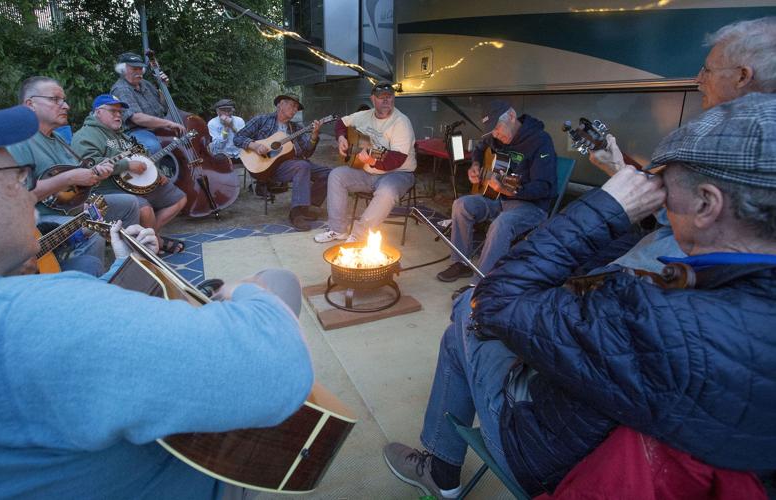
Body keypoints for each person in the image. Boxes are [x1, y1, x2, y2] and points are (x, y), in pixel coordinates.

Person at [0, 83, 314, 499]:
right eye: (19, 178)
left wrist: (129, 265)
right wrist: (245, 291)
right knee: (278, 281)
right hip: (210, 475)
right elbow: (276, 369)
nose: (26, 191)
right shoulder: (34, 318)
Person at [383, 92, 776, 499]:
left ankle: (441, 469)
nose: (655, 194)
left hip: (548, 457)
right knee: (471, 303)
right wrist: (486, 171)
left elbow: (496, 300)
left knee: (470, 309)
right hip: (605, 420)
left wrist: (606, 206)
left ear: (707, 203)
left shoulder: (664, 314)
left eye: (662, 186)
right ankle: (441, 466)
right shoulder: (732, 294)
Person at [587, 16, 776, 273]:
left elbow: (675, 214)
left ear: (743, 76)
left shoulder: (715, 140)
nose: (698, 79)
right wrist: (619, 168)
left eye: (707, 70)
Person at [7, 76, 141, 276]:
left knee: (129, 203)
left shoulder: (59, 139)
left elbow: (75, 183)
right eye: (55, 100)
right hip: (41, 222)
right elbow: (19, 198)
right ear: (30, 104)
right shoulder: (20, 142)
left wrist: (91, 179)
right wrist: (69, 179)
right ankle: (85, 277)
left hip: (73, 208)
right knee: (90, 232)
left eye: (64, 100)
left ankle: (131, 264)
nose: (66, 106)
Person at [435, 100, 556, 282]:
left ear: (512, 116)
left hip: (531, 207)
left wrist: (509, 190)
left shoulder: (540, 140)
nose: (496, 134)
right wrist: (475, 165)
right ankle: (461, 263)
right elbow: (480, 147)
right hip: (498, 199)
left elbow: (544, 187)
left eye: (498, 127)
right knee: (461, 204)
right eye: (492, 131)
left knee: (502, 223)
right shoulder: (495, 137)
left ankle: (481, 283)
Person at [72, 94, 188, 255]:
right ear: (98, 112)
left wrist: (158, 173)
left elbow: (144, 154)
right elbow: (90, 165)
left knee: (178, 198)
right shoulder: (85, 136)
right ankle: (151, 246)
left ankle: (151, 238)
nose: (118, 115)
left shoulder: (123, 135)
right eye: (113, 111)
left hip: (136, 185)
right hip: (107, 190)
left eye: (120, 112)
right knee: (145, 209)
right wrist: (127, 165)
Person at [314, 82, 417, 244]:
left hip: (398, 173)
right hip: (368, 172)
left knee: (387, 192)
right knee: (336, 175)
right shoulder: (364, 116)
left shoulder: (401, 122)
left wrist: (370, 159)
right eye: (381, 98)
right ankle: (338, 229)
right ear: (372, 99)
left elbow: (396, 159)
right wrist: (341, 138)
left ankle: (358, 235)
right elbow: (341, 122)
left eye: (389, 97)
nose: (386, 101)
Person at [235, 93, 330, 231]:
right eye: (292, 106)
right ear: (280, 104)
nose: (295, 110)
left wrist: (314, 135)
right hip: (269, 167)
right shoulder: (262, 120)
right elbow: (238, 137)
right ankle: (296, 214)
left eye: (297, 108)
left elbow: (307, 152)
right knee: (302, 166)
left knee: (330, 173)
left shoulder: (296, 128)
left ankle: (307, 207)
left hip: (295, 163)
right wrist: (255, 146)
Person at [110, 51, 186, 154]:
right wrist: (169, 123)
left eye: (140, 68)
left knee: (187, 135)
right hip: (137, 131)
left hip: (159, 127)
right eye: (134, 69)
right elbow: (137, 118)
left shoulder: (146, 84)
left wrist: (163, 88)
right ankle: (158, 170)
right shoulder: (121, 89)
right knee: (152, 146)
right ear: (123, 70)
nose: (139, 72)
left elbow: (163, 107)